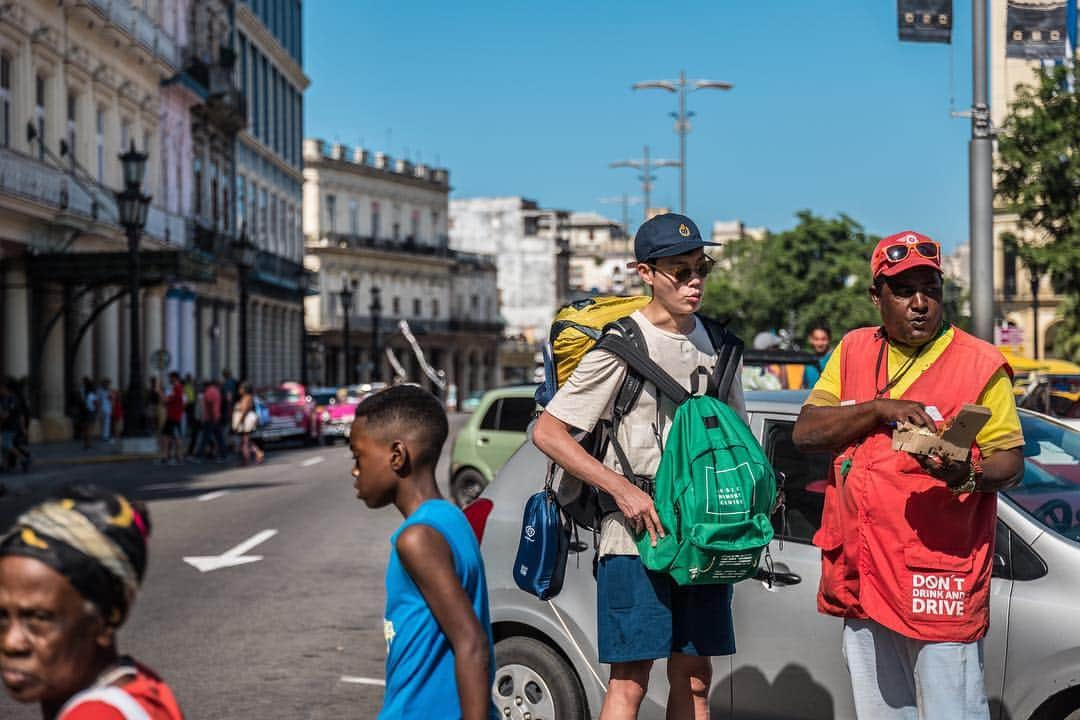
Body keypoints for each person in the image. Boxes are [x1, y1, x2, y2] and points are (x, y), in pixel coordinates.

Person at [791, 230, 1025, 720]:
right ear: (876, 297)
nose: (920, 304)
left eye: (931, 290)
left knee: (951, 712)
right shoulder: (855, 349)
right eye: (903, 291)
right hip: (862, 574)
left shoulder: (980, 363)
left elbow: (1010, 463)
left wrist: (967, 471)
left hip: (936, 578)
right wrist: (878, 409)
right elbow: (807, 432)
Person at [532, 213, 746, 720]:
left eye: (701, 268)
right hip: (634, 535)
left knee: (695, 680)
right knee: (630, 680)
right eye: (680, 270)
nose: (694, 281)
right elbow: (548, 431)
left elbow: (734, 438)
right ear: (645, 273)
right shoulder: (622, 344)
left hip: (701, 533)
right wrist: (621, 490)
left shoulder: (721, 346)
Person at [348, 385, 495, 720]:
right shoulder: (451, 518)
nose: (356, 471)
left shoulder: (417, 538)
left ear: (397, 456)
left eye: (359, 457)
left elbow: (472, 644)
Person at [0, 485, 184, 719]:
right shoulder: (143, 684)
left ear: (108, 617)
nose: (11, 643)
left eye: (38, 618)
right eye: (2, 617)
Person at [192, 380, 226, 463]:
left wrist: (211, 417)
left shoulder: (208, 392)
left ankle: (199, 456)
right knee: (219, 438)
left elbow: (210, 405)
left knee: (205, 438)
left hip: (210, 418)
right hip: (216, 416)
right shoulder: (216, 391)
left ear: (205, 386)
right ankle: (223, 455)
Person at [231, 383, 263, 466]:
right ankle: (257, 453)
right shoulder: (247, 397)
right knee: (246, 441)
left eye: (240, 388)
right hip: (246, 422)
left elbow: (244, 411)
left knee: (245, 441)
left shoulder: (246, 398)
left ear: (245, 389)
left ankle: (246, 460)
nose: (239, 390)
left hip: (245, 422)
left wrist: (239, 423)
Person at [160, 372, 185, 465]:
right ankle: (176, 455)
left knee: (166, 436)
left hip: (172, 415)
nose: (169, 380)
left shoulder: (176, 388)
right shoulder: (180, 388)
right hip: (176, 415)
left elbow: (166, 400)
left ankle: (166, 456)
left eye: (170, 378)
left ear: (174, 378)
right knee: (174, 436)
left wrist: (160, 393)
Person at [801, 323, 833, 389]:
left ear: (829, 339)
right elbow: (804, 385)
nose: (820, 343)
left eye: (823, 339)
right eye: (816, 339)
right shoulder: (808, 361)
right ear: (810, 339)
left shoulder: (835, 359)